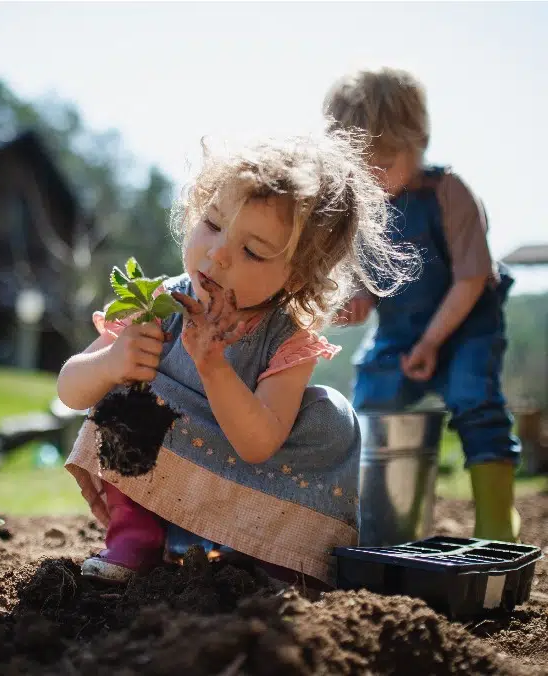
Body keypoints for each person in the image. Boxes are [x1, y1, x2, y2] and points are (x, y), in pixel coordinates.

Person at [58, 130, 414, 587]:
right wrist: (110, 363)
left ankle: (274, 555)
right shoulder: (156, 303)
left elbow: (258, 443)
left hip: (250, 472)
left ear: (298, 275)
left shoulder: (286, 340)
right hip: (167, 461)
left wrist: (213, 366)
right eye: (211, 222)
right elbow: (70, 389)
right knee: (123, 392)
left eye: (252, 251)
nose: (219, 253)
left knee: (333, 417)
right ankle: (137, 538)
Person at [324, 67, 521, 542]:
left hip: (464, 326)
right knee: (370, 404)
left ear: (419, 142)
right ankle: (377, 523)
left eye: (385, 161)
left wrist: (432, 341)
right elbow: (366, 291)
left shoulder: (449, 193)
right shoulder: (365, 211)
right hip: (398, 331)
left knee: (477, 401)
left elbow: (472, 278)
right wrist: (348, 307)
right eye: (360, 168)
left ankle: (498, 520)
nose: (373, 177)